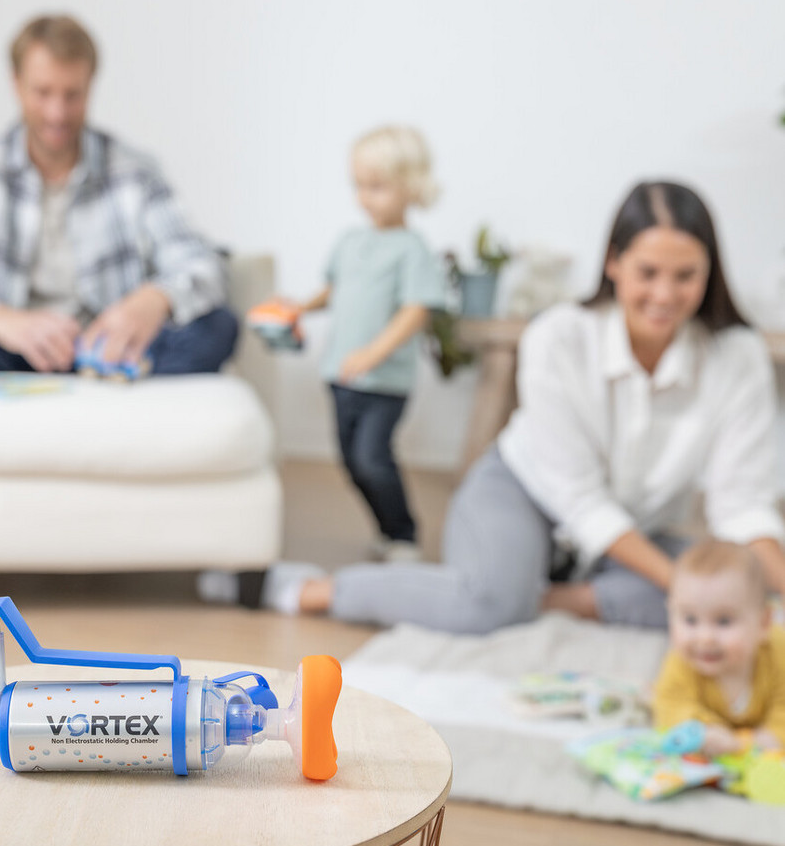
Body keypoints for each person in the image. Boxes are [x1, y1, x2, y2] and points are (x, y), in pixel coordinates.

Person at [263, 181, 785, 631]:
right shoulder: (557, 337)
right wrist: (686, 591)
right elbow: (579, 499)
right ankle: (310, 590)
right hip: (523, 493)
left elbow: (742, 504)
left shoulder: (737, 357)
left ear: (709, 272)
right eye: (648, 272)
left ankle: (542, 600)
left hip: (630, 530)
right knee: (486, 605)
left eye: (685, 276)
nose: (665, 295)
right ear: (614, 262)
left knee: (740, 593)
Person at [0, 14, 237, 376]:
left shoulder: (135, 171)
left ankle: (109, 381)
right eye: (42, 93)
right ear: (16, 84)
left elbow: (202, 265)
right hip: (4, 349)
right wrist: (0, 319)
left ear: (90, 86)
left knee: (218, 326)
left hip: (104, 352)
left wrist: (153, 301)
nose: (57, 113)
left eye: (72, 95)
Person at [276, 126, 445, 562]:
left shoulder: (412, 250)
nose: (364, 197)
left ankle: (404, 534)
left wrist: (375, 352)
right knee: (351, 462)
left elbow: (416, 310)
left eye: (377, 187)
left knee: (372, 458)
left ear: (411, 187)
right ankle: (385, 530)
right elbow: (335, 289)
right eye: (359, 186)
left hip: (384, 382)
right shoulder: (350, 242)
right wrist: (299, 307)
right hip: (340, 374)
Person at [653, 539, 785, 755]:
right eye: (690, 620)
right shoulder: (680, 662)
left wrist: (747, 742)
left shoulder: (779, 655)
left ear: (763, 623)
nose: (705, 638)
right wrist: (705, 731)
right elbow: (670, 706)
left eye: (723, 621)